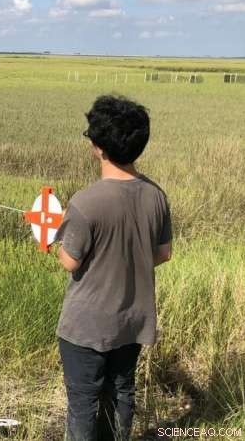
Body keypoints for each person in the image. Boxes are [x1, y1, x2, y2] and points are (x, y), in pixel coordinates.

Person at [54, 95, 172, 441]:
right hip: (132, 322)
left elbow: (70, 260)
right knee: (122, 391)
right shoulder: (156, 195)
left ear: (98, 147)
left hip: (85, 328)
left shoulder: (85, 202)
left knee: (83, 403)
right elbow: (163, 253)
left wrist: (49, 240)